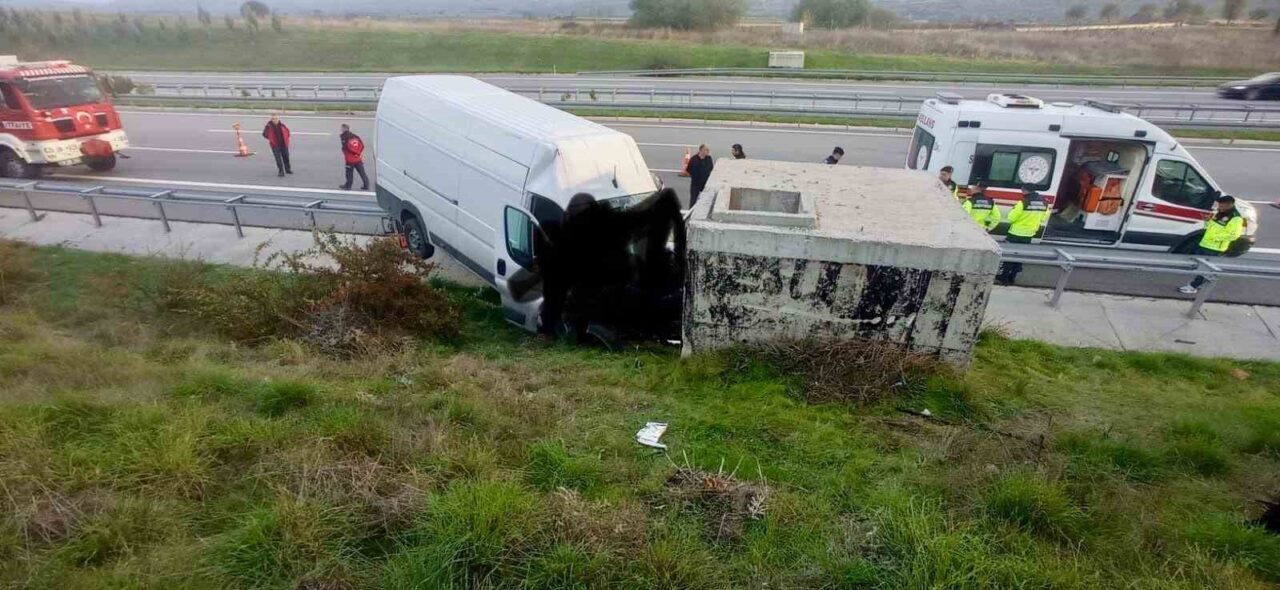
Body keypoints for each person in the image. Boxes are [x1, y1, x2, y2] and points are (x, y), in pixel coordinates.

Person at [1179, 195, 1245, 294]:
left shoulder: (1236, 218)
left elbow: (1233, 235)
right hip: (1205, 243)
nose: (1219, 207)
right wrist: (1207, 221)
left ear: (1229, 205)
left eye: (1221, 205)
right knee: (1200, 265)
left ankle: (1193, 286)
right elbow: (1211, 227)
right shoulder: (1219, 213)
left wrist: (1215, 238)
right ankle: (1200, 283)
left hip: (1215, 247)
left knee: (1205, 268)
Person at [996, 188, 1050, 285]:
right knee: (1020, 256)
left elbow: (1011, 218)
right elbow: (1043, 218)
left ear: (1025, 191)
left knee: (1010, 255)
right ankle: (1012, 278)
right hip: (1029, 234)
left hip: (1015, 233)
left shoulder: (1022, 203)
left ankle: (1004, 277)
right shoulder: (1044, 203)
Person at [338, 123, 369, 191]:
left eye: (341, 128)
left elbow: (346, 148)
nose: (341, 129)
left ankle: (348, 186)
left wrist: (347, 152)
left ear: (344, 129)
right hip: (358, 158)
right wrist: (358, 153)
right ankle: (366, 185)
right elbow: (362, 145)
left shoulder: (344, 137)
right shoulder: (356, 136)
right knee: (362, 172)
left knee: (349, 173)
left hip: (350, 159)